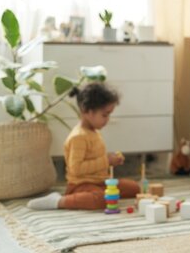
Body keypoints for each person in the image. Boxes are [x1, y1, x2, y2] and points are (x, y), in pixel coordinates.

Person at [27, 82, 140, 210]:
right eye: (105, 115)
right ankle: (59, 201)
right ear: (87, 111)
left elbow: (95, 158)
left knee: (134, 188)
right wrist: (106, 161)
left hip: (100, 182)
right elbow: (76, 169)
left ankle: (93, 195)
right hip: (80, 185)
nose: (107, 119)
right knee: (101, 199)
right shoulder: (78, 137)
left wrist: (111, 160)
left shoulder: (94, 132)